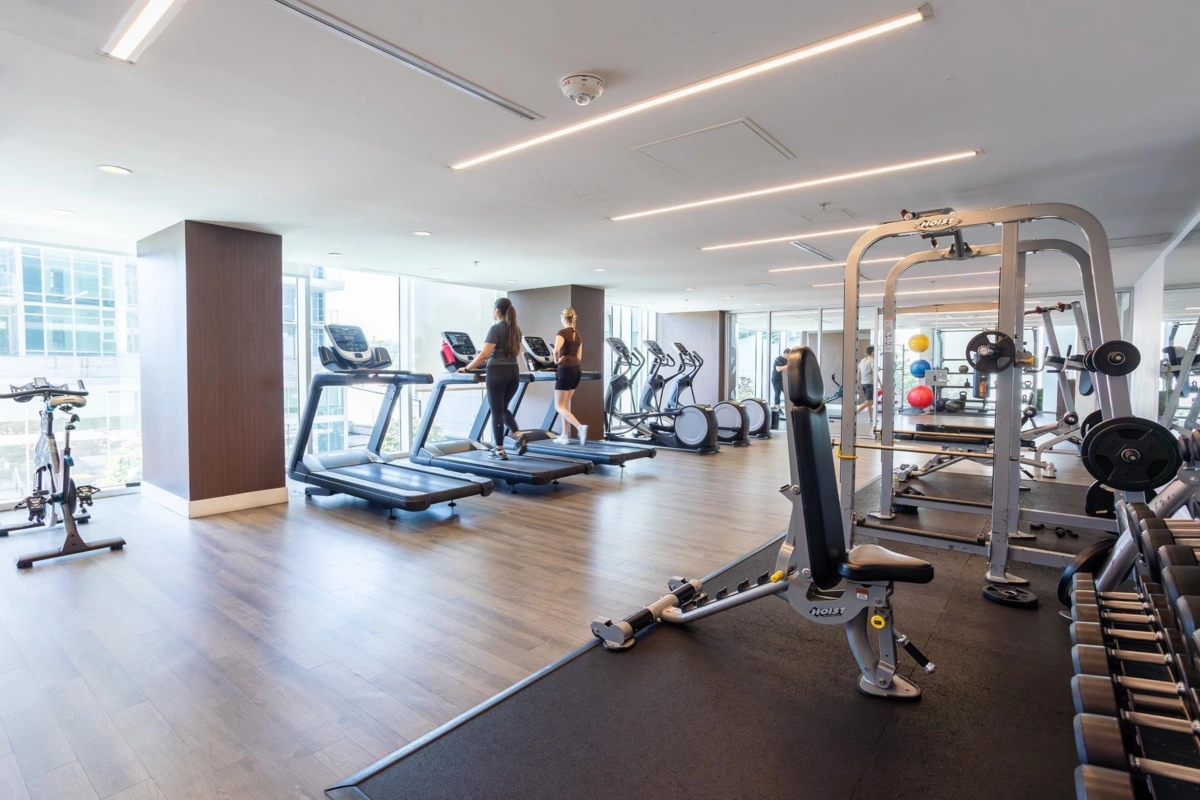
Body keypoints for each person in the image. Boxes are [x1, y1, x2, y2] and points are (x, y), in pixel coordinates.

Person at [459, 298, 528, 460]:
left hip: (497, 371)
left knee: (496, 411)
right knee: (502, 409)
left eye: (492, 309)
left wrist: (467, 368)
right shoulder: (516, 330)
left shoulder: (495, 328)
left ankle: (499, 450)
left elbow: (484, 355)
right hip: (513, 372)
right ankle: (518, 434)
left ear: (497, 310)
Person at [552, 307, 587, 444]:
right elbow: (579, 357)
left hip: (565, 370)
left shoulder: (561, 333)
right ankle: (564, 435)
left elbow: (556, 350)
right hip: (576, 370)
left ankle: (580, 427)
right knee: (565, 405)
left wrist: (556, 361)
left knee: (558, 406)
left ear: (563, 318)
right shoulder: (577, 334)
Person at [856, 345, 876, 424]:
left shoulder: (863, 360)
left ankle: (871, 419)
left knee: (868, 401)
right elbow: (875, 373)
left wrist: (858, 383)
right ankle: (854, 412)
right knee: (869, 402)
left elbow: (859, 373)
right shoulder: (872, 361)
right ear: (873, 352)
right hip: (870, 384)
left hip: (864, 383)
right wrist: (880, 383)